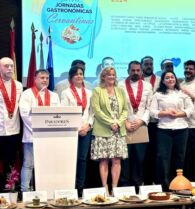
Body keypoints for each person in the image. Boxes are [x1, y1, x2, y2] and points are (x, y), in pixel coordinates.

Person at [150, 71, 194, 191]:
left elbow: (191, 109)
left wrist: (179, 114)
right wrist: (165, 113)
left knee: (179, 157)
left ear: (176, 79)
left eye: (172, 77)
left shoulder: (182, 93)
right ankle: (164, 186)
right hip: (164, 129)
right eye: (167, 78)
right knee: (163, 158)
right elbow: (152, 111)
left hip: (181, 129)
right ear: (163, 81)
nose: (170, 79)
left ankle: (178, 186)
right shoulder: (157, 94)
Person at [19, 69, 60, 192]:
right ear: (35, 79)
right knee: (28, 165)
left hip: (48, 138)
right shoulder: (27, 94)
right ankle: (25, 192)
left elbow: (58, 115)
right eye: (42, 78)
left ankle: (46, 191)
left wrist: (47, 131)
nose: (45, 80)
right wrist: (38, 130)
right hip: (31, 136)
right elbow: (25, 114)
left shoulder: (54, 95)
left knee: (46, 165)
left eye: (47, 78)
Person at [90, 67, 128, 195]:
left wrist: (118, 122)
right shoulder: (97, 91)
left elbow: (125, 110)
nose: (111, 77)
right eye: (108, 75)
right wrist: (110, 122)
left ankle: (115, 188)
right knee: (104, 160)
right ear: (103, 77)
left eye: (113, 75)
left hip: (118, 131)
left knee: (117, 160)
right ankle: (105, 188)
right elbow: (97, 110)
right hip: (103, 130)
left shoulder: (121, 91)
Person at [119, 61, 153, 192]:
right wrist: (125, 122)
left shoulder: (148, 86)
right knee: (125, 158)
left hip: (141, 126)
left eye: (138, 70)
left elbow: (150, 107)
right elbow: (118, 107)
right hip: (125, 125)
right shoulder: (120, 85)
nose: (135, 73)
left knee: (140, 158)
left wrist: (141, 121)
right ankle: (124, 187)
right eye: (133, 70)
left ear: (141, 71)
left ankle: (138, 185)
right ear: (128, 71)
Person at [61, 66, 93, 196]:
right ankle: (70, 186)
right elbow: (65, 113)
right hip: (72, 131)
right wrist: (76, 128)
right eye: (76, 75)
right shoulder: (66, 93)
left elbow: (92, 112)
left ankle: (80, 187)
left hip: (86, 129)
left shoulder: (90, 93)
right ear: (71, 78)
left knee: (82, 159)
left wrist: (88, 126)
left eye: (81, 74)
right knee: (71, 159)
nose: (79, 76)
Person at [0, 57, 23, 191]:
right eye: (6, 66)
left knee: (10, 162)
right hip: (0, 130)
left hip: (14, 131)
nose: (9, 69)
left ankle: (9, 189)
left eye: (11, 66)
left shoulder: (19, 85)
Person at [141, 56, 160, 185]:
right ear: (142, 66)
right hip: (141, 123)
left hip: (156, 123)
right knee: (142, 153)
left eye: (151, 64)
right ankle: (142, 180)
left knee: (154, 153)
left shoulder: (159, 80)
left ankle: (152, 181)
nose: (149, 66)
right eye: (146, 64)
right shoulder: (137, 81)